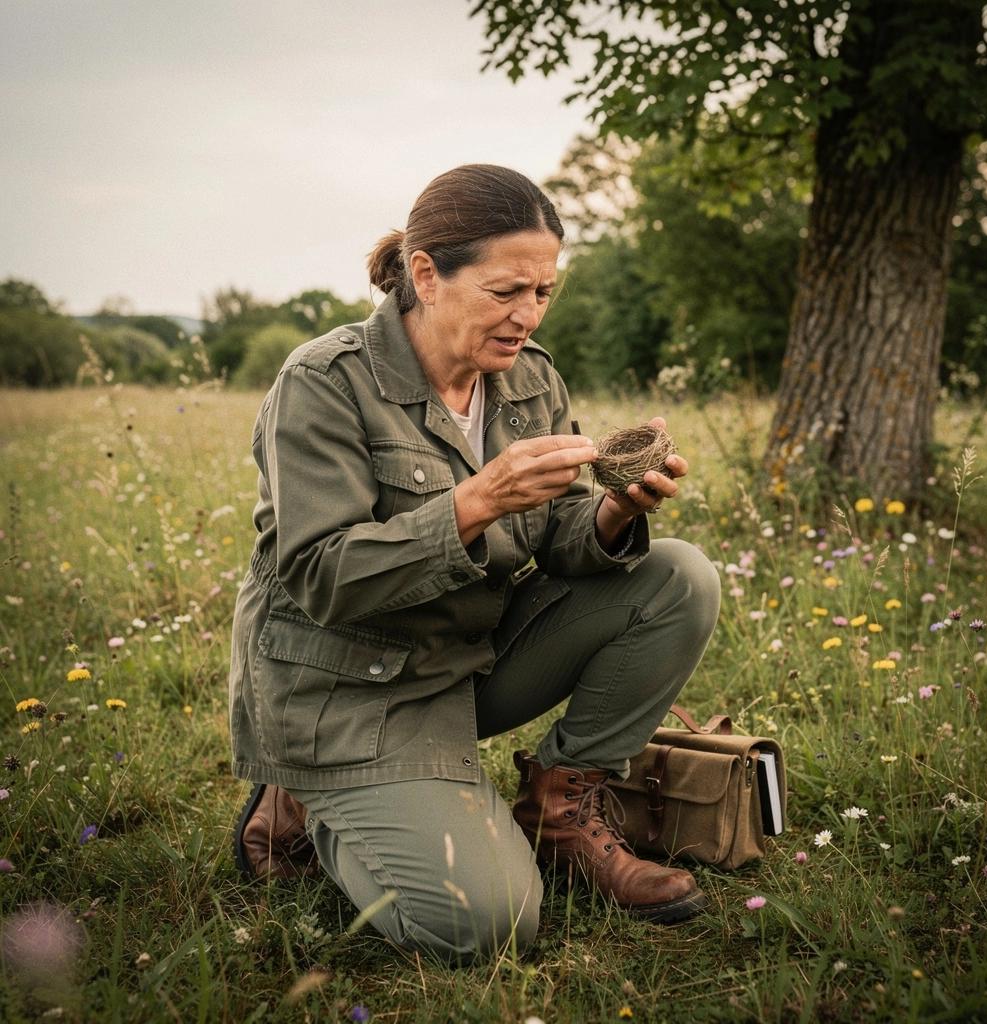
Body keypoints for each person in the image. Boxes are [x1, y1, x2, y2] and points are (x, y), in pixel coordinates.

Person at [229, 164, 721, 962]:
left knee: (678, 577)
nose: (527, 314)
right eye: (506, 291)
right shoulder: (324, 383)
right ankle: (309, 801)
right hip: (351, 696)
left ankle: (561, 815)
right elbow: (320, 577)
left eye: (544, 292)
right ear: (426, 274)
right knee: (485, 925)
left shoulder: (529, 377)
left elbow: (560, 534)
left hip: (465, 663)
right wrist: (476, 502)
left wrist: (614, 512)